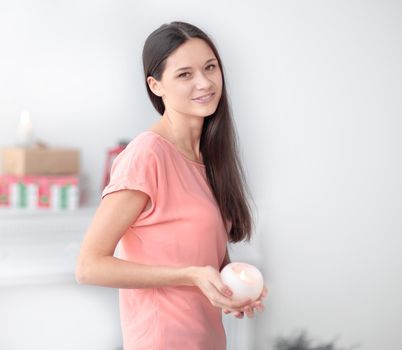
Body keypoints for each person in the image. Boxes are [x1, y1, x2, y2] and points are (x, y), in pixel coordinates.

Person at [76, 21, 267, 350]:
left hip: (206, 340)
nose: (205, 83)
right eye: (185, 74)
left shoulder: (209, 158)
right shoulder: (147, 156)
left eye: (210, 68)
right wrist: (190, 276)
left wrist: (233, 285)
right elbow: (88, 266)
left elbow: (201, 254)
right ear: (156, 85)